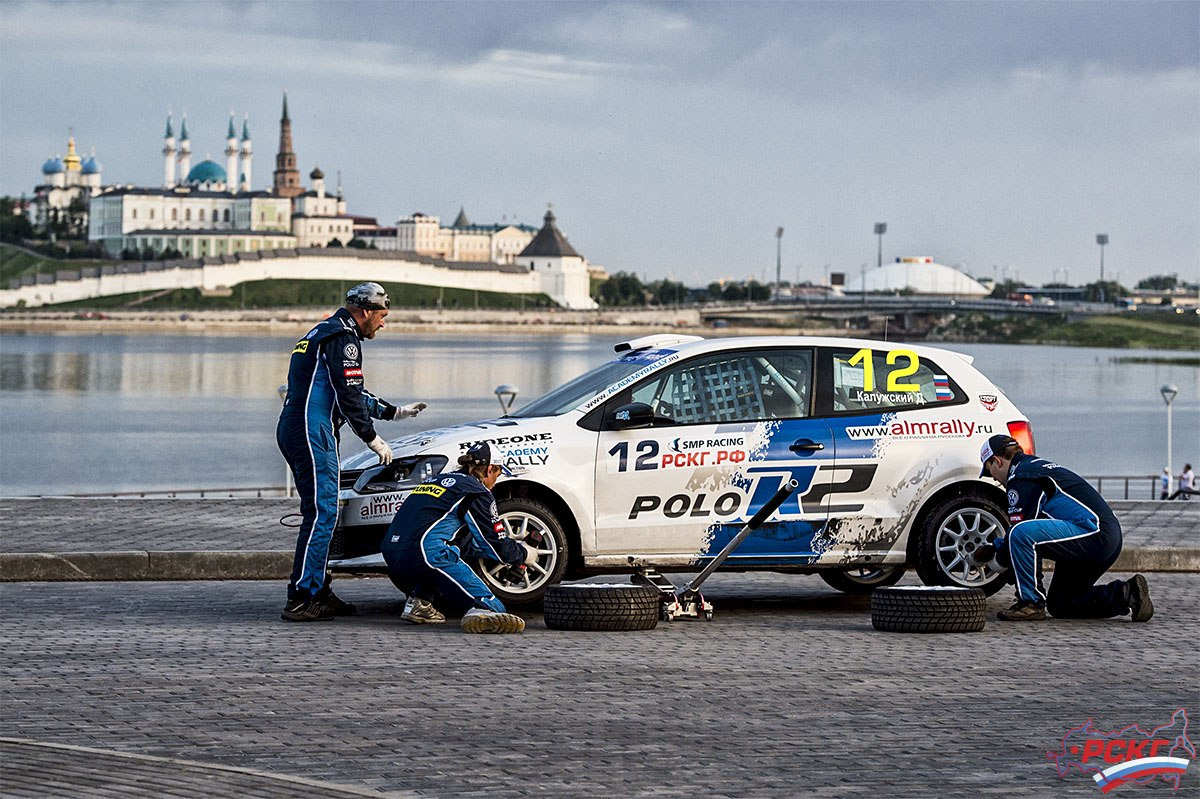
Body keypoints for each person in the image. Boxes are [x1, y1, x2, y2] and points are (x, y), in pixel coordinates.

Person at [277, 281, 427, 622]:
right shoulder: (342, 338)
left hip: (299, 428)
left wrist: (394, 412)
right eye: (382, 315)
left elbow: (351, 392)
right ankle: (301, 596)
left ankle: (317, 588)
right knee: (322, 514)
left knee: (323, 513)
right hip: (311, 431)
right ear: (365, 311)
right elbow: (348, 394)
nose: (384, 323)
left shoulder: (323, 331)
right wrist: (372, 439)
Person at [975, 434, 1153, 622]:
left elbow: (1019, 532)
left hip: (1093, 533)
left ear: (997, 461)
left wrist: (995, 560)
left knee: (1020, 534)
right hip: (1107, 536)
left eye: (989, 471)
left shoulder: (1020, 477)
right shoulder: (1035, 466)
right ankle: (1128, 593)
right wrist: (996, 548)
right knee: (1062, 603)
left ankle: (1031, 603)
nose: (994, 479)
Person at [381, 441, 537, 634]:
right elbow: (494, 543)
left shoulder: (436, 480)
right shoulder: (476, 491)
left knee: (451, 548)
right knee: (495, 609)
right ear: (489, 469)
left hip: (391, 554)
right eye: (497, 474)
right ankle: (482, 610)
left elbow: (463, 542)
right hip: (424, 553)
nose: (495, 481)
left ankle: (419, 602)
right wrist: (523, 553)